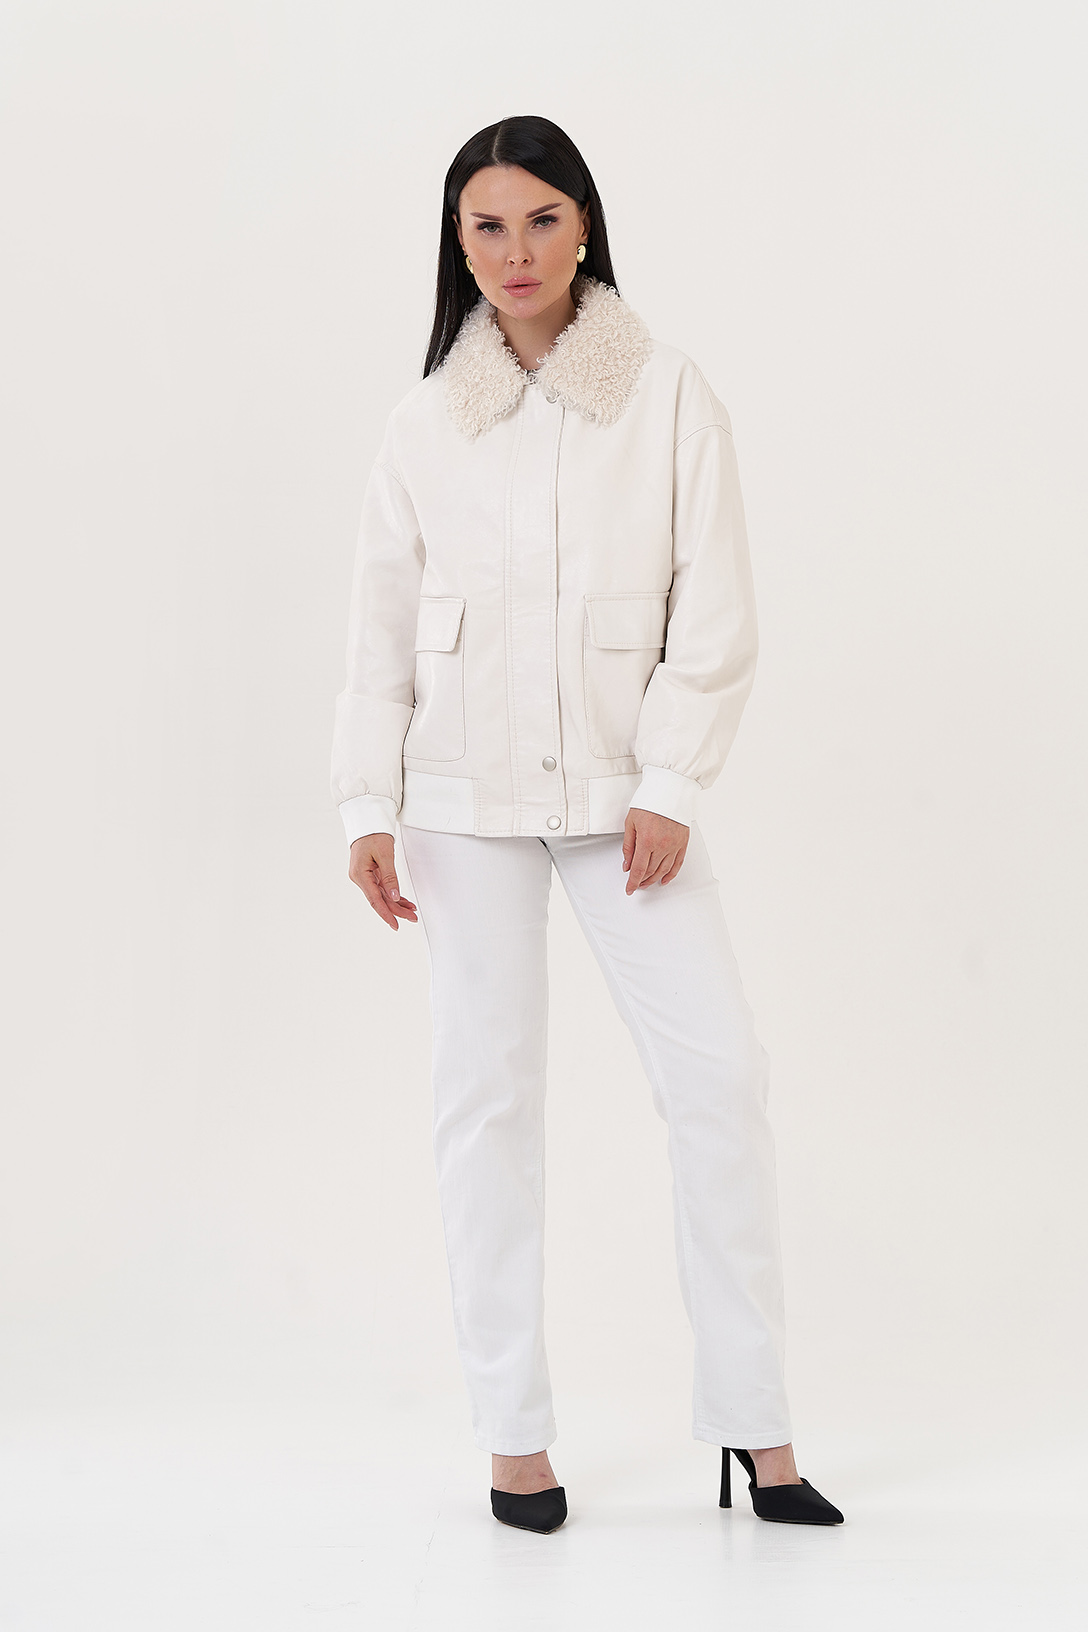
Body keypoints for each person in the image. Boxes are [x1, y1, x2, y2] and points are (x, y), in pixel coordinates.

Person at [331, 114, 844, 1535]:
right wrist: (367, 802)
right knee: (485, 1105)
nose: (516, 252)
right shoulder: (424, 422)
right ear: (458, 242)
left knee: (720, 1081)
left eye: (542, 220)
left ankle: (757, 1427)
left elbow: (715, 607)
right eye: (486, 225)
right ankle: (515, 1439)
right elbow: (377, 628)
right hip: (459, 803)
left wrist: (670, 783)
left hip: (626, 808)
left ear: (586, 225)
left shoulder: (667, 394)